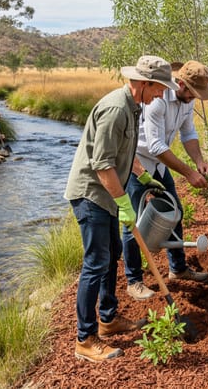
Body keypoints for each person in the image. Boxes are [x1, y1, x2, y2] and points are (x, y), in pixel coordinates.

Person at [64, 55, 177, 361]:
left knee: (112, 254)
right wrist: (125, 201)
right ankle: (85, 341)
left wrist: (142, 176)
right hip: (93, 195)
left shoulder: (135, 106)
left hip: (109, 194)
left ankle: (108, 320)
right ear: (143, 83)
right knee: (95, 263)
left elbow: (123, 154)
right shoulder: (116, 109)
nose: (160, 95)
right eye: (158, 88)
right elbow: (102, 164)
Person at [121, 60, 208, 301]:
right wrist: (188, 174)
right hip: (137, 162)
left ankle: (178, 268)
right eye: (193, 92)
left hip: (160, 164)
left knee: (176, 212)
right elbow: (154, 146)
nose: (195, 97)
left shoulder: (187, 99)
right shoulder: (159, 101)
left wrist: (198, 161)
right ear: (181, 84)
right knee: (134, 223)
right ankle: (134, 281)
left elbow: (188, 133)